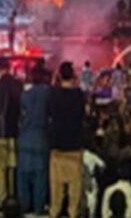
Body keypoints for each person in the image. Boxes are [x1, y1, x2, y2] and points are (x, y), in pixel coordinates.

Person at [48, 62, 85, 218]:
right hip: (75, 148)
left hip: (57, 147)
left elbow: (49, 113)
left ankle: (54, 213)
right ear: (74, 76)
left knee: (56, 192)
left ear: (59, 76)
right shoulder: (79, 95)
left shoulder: (53, 94)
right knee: (74, 191)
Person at [0, 57, 23, 208]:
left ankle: (1, 200)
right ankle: (12, 197)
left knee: (0, 169)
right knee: (12, 166)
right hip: (14, 132)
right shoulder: (18, 85)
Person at [18, 65, 51, 215]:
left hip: (24, 139)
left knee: (23, 176)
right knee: (40, 177)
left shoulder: (24, 95)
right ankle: (38, 209)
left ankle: (24, 206)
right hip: (41, 139)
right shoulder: (48, 94)